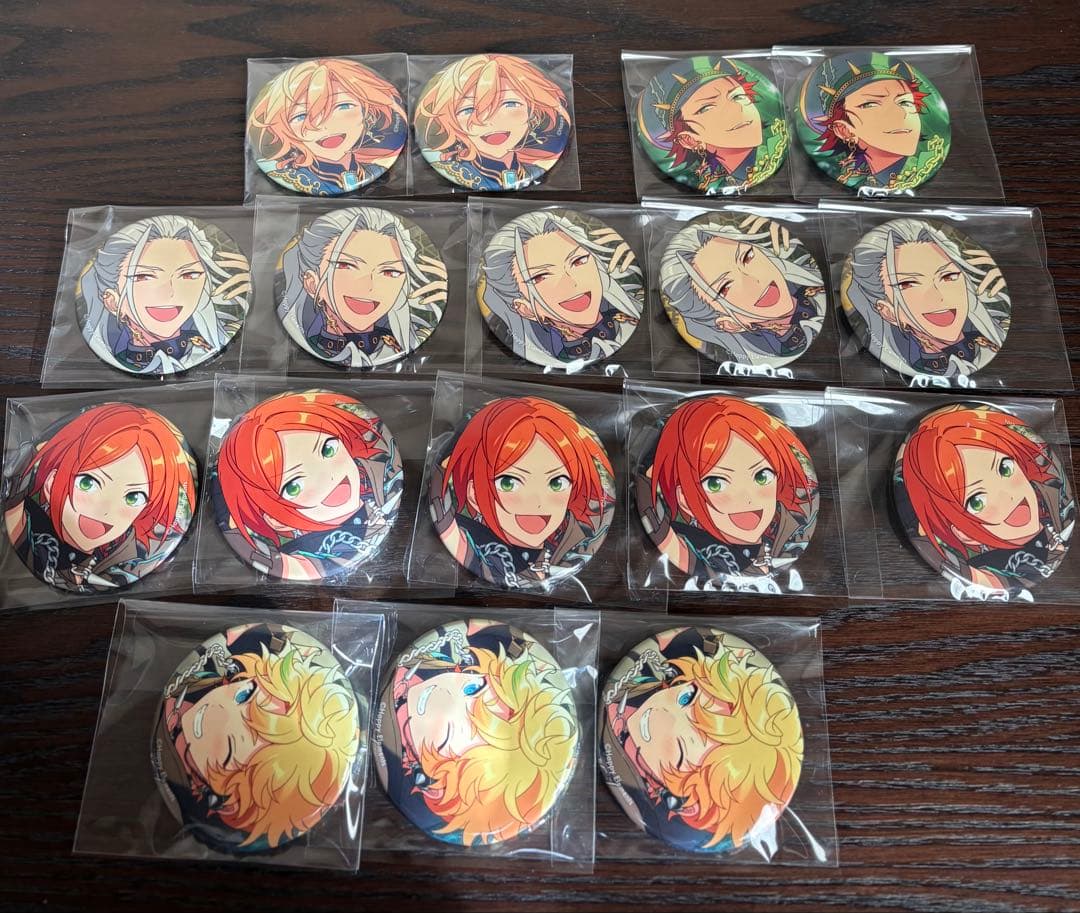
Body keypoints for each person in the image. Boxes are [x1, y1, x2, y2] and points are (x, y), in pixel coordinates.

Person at [155, 623, 360, 851]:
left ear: (220, 796)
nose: (216, 714)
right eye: (244, 695)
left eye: (229, 750)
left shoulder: (179, 781)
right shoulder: (230, 657)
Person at [378, 620, 577, 845]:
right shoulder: (462, 647)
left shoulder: (393, 754)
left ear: (429, 783)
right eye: (473, 688)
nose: (444, 696)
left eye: (447, 737)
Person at [604, 627, 803, 852]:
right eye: (687, 698)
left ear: (677, 800)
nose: (661, 715)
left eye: (680, 752)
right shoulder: (655, 667)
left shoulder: (633, 785)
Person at [4, 403, 196, 592]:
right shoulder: (23, 522)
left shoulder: (134, 557)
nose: (105, 509)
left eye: (133, 497)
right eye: (87, 483)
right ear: (50, 482)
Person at [213, 391, 401, 580]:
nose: (325, 476)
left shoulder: (382, 480)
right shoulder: (302, 554)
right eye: (293, 486)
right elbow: (281, 563)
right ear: (274, 520)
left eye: (328, 449)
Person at [431, 396, 614, 589]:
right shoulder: (468, 540)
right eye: (508, 483)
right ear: (473, 493)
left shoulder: (576, 540)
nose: (536, 501)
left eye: (556, 483)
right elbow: (443, 509)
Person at [641, 396, 818, 584]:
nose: (745, 497)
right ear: (684, 498)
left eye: (761, 476)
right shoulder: (688, 545)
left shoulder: (792, 530)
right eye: (715, 483)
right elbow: (649, 504)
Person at [897, 405, 1073, 593]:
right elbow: (980, 578)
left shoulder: (1057, 504)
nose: (1007, 496)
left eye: (1005, 468)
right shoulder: (986, 570)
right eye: (977, 501)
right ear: (962, 533)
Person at [79, 215, 249, 374]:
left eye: (189, 274)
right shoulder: (112, 356)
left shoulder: (223, 337)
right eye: (143, 277)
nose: (169, 293)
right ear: (112, 301)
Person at [278, 207, 447, 367]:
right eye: (345, 265)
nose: (369, 286)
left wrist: (441, 308)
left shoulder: (412, 337)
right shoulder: (300, 342)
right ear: (312, 283)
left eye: (390, 272)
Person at [844, 218, 1009, 378]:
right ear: (887, 311)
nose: (938, 297)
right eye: (908, 284)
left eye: (948, 276)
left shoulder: (998, 330)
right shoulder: (904, 361)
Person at [479, 210, 642, 368]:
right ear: (524, 308)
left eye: (578, 260)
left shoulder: (631, 310)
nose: (571, 282)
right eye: (540, 277)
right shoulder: (548, 351)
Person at [660, 214, 825, 367]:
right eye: (725, 287)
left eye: (747, 257)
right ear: (728, 324)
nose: (752, 280)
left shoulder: (810, 278)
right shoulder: (757, 354)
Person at [248, 58, 406, 195]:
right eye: (300, 116)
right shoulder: (289, 176)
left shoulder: (371, 168)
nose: (323, 126)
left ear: (367, 112)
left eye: (343, 106)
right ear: (281, 128)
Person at [415, 54, 571, 191]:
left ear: (532, 111)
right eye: (468, 110)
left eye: (510, 103)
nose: (489, 121)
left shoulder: (531, 169)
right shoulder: (453, 170)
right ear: (448, 120)